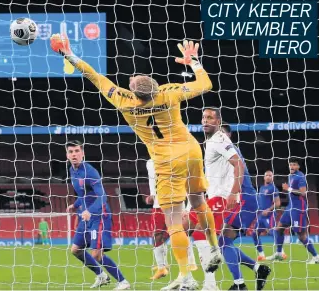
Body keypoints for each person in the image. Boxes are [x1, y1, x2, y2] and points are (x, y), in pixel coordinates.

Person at [51, 34, 220, 290]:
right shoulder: (168, 92)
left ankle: (186, 276)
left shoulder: (124, 101)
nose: (130, 80)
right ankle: (215, 248)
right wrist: (193, 61)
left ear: (135, 91)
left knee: (173, 221)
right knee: (197, 201)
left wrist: (69, 54)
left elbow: (95, 76)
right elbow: (206, 84)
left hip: (166, 162)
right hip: (191, 151)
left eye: (132, 81)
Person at [202, 109, 271, 291]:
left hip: (243, 200)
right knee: (224, 241)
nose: (221, 137)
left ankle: (239, 284)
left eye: (224, 134)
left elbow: (237, 169)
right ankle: (258, 268)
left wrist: (233, 193)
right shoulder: (217, 149)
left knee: (223, 241)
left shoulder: (227, 148)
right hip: (239, 200)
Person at [65, 141, 130, 290]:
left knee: (96, 254)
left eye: (76, 151)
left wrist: (90, 211)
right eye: (71, 152)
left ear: (82, 153)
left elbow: (102, 197)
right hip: (86, 216)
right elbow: (84, 194)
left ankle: (123, 282)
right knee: (76, 250)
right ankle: (101, 276)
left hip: (99, 215)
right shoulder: (72, 170)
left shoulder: (90, 171)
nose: (74, 154)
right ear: (67, 155)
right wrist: (74, 205)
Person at [146, 159, 197, 280]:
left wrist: (187, 208)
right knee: (157, 236)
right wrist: (152, 195)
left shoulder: (175, 159)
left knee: (179, 234)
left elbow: (186, 183)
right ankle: (161, 268)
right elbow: (152, 181)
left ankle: (191, 263)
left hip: (176, 204)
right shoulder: (150, 163)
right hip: (158, 205)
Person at [267, 158, 319, 264]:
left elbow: (303, 193)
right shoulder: (290, 176)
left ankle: (316, 256)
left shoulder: (300, 176)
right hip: (290, 207)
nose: (292, 166)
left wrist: (289, 189)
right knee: (278, 229)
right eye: (290, 164)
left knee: (301, 236)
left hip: (298, 209)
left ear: (298, 166)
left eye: (294, 164)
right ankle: (279, 253)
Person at [253, 170, 285, 261]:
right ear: (264, 177)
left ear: (272, 177)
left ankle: (281, 252)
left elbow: (278, 203)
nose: (268, 177)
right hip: (261, 216)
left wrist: (269, 209)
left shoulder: (273, 188)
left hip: (269, 216)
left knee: (272, 232)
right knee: (254, 233)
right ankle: (261, 255)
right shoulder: (262, 188)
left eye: (270, 176)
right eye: (266, 175)